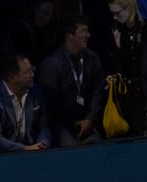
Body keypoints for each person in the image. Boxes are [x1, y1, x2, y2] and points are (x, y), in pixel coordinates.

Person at [100, 0, 147, 136]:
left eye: (117, 13)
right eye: (112, 14)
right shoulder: (120, 33)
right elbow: (121, 68)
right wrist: (118, 49)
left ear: (129, 7)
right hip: (130, 101)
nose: (115, 17)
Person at [37, 15, 105, 146]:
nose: (88, 35)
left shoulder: (92, 58)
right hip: (62, 124)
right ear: (70, 36)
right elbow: (50, 105)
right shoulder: (53, 64)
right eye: (84, 31)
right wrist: (73, 123)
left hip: (87, 121)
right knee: (71, 148)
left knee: (97, 146)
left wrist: (90, 118)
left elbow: (98, 91)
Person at [0, 54, 51, 153]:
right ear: (13, 78)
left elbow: (44, 126)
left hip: (31, 149)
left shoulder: (36, 92)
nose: (33, 74)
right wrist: (25, 149)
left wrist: (43, 143)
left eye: (32, 69)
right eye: (27, 72)